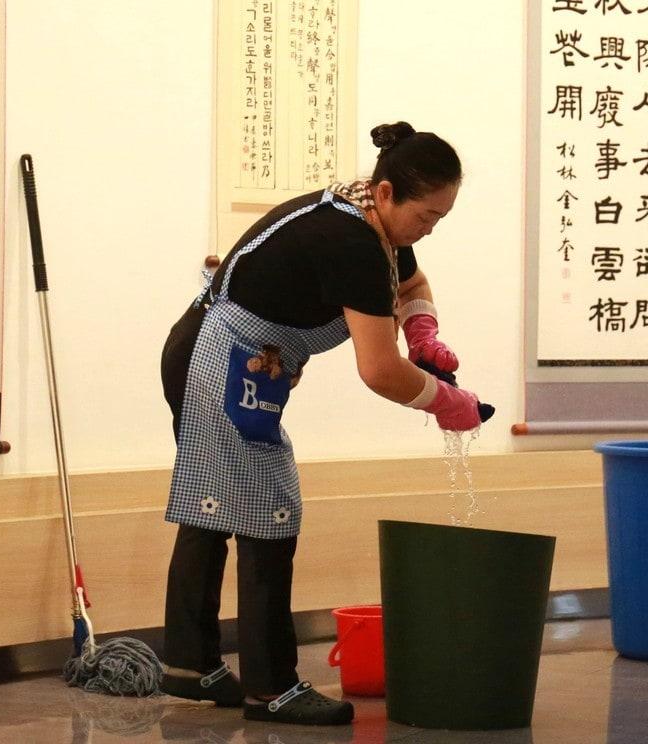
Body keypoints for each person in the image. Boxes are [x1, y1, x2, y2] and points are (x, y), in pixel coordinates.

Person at [158, 122, 487, 726]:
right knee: (270, 512)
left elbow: (411, 281)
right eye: (426, 216)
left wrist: (422, 330)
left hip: (229, 355)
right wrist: (446, 401)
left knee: (215, 504)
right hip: (219, 358)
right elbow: (380, 370)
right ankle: (271, 688)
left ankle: (189, 662)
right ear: (385, 193)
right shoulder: (352, 241)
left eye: (440, 219)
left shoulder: (372, 220)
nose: (429, 229)